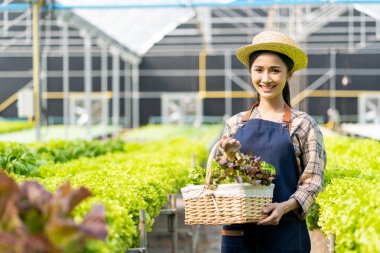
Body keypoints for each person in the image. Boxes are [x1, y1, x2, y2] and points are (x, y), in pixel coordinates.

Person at [217, 31, 327, 253]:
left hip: (285, 233)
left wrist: (284, 207)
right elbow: (223, 181)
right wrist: (228, 157)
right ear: (251, 73)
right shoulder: (235, 123)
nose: (265, 79)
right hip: (238, 235)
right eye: (259, 70)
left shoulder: (303, 124)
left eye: (275, 70)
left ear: (289, 75)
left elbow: (313, 181)